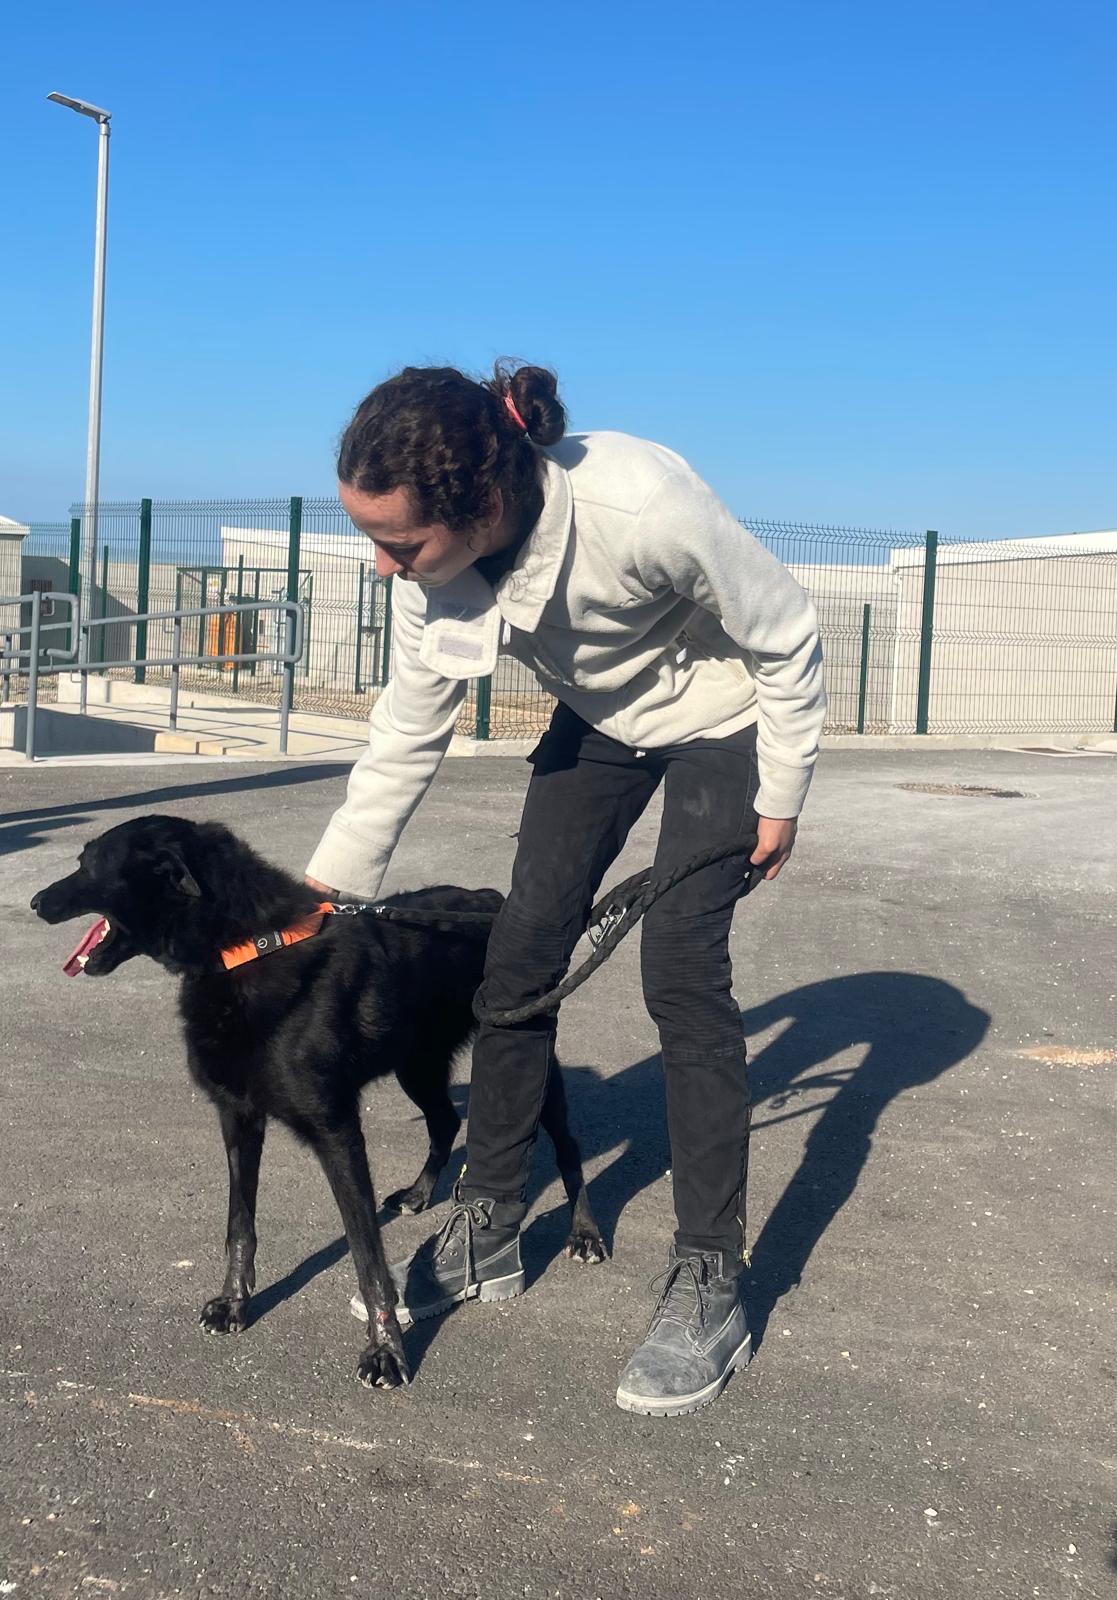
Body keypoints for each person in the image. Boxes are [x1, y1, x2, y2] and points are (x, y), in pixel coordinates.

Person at [305, 361, 826, 1416]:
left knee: (679, 971)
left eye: (398, 543)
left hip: (723, 720)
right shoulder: (434, 575)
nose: (380, 565)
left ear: (482, 505)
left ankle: (710, 1276)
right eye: (371, 538)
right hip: (597, 724)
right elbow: (407, 730)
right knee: (517, 955)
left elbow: (784, 632)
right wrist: (325, 887)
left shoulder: (640, 505)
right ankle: (492, 1215)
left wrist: (780, 792)